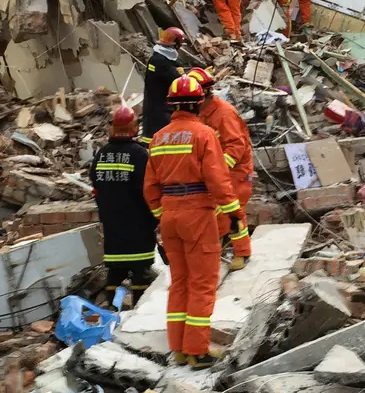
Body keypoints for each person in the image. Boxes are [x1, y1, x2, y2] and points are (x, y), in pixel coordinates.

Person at [143, 75, 244, 369]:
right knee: (202, 283)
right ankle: (197, 351)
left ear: (171, 105)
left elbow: (149, 187)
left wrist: (163, 214)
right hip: (197, 214)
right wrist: (233, 213)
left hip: (170, 216)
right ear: (199, 103)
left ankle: (178, 348)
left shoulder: (159, 138)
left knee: (180, 283)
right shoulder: (203, 134)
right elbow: (218, 179)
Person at [187, 68, 254, 270]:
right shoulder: (199, 114)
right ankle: (224, 243)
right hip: (215, 172)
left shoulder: (224, 114)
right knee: (214, 213)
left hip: (236, 172)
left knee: (232, 211)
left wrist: (219, 169)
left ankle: (242, 252)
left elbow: (236, 146)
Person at [90, 105, 157, 306]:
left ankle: (111, 309)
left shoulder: (102, 154)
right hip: (138, 225)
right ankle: (138, 310)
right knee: (140, 272)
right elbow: (149, 190)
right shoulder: (140, 155)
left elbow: (95, 184)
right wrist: (154, 218)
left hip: (112, 224)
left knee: (116, 270)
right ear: (134, 127)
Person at [141, 28, 186, 143]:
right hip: (160, 108)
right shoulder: (160, 61)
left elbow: (174, 67)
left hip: (155, 105)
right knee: (159, 139)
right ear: (177, 44)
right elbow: (178, 80)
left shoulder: (158, 57)